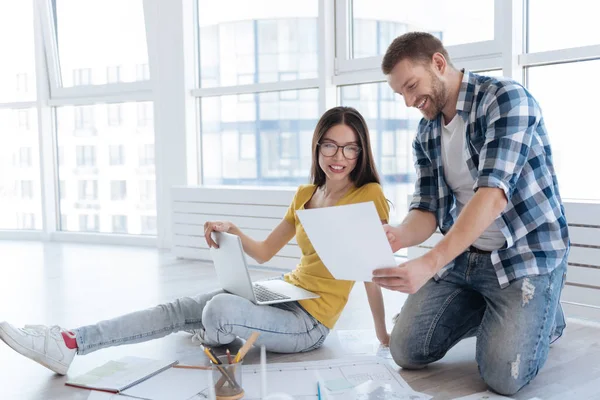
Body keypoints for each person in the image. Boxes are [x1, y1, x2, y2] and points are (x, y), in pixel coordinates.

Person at [0, 106, 391, 376]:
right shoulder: (306, 193)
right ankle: (70, 343)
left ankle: (214, 330)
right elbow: (266, 251)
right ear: (317, 146)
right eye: (330, 145)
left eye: (350, 147)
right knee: (180, 306)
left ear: (361, 152)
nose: (339, 156)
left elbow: (373, 271)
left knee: (217, 309)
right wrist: (233, 231)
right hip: (284, 292)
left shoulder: (368, 196)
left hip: (311, 323)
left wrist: (383, 337)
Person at [371, 32, 569, 396]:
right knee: (406, 350)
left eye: (412, 86)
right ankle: (491, 309)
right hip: (466, 261)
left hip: (523, 257)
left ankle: (546, 316)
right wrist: (398, 234)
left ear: (439, 63)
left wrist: (429, 263)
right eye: (401, 94)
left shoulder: (506, 100)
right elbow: (427, 209)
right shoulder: (427, 133)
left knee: (502, 377)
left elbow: (492, 196)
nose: (410, 101)